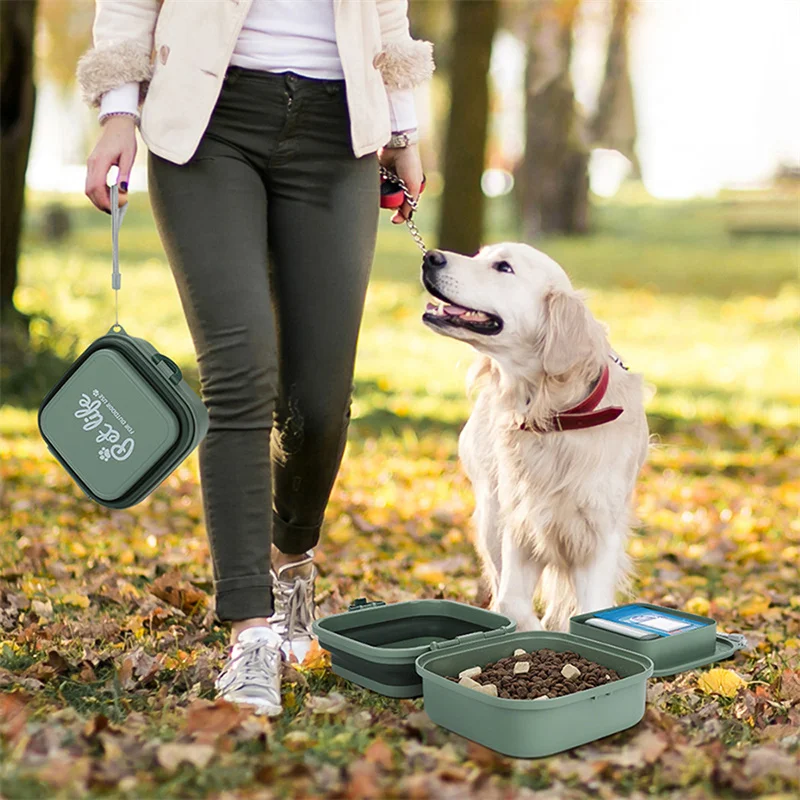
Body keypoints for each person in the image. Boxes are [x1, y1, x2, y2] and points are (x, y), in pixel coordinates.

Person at [77, 0, 433, 716]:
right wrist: (119, 110)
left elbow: (387, 15)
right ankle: (249, 633)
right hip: (210, 124)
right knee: (240, 372)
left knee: (321, 404)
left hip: (340, 134)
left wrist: (403, 126)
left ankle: (291, 559)